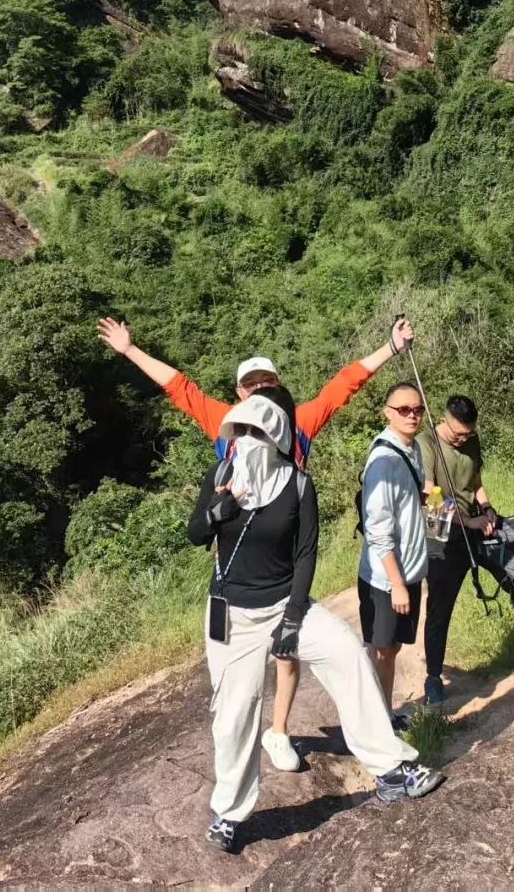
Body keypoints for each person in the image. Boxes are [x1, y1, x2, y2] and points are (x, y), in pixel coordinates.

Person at [97, 315, 413, 772]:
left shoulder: (297, 424)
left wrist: (391, 346)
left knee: (288, 647)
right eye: (251, 384)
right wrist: (129, 350)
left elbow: (344, 385)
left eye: (267, 382)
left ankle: (279, 731)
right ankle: (251, 747)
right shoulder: (225, 423)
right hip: (236, 562)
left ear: (278, 387)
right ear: (239, 392)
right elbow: (180, 388)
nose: (260, 389)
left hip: (284, 552)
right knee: (239, 674)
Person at [188, 383, 443, 855]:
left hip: (286, 604)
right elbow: (195, 534)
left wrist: (292, 617)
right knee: (234, 712)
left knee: (347, 653)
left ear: (277, 437)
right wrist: (216, 512)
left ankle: (391, 767)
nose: (246, 440)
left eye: (256, 431)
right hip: (232, 613)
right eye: (240, 430)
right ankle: (229, 812)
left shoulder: (298, 485)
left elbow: (305, 554)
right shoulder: (221, 474)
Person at [418, 394, 514, 707]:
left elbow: (476, 482)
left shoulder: (471, 441)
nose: (463, 439)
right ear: (444, 420)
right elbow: (429, 496)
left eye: (468, 434)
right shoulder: (426, 443)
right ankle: (433, 678)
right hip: (441, 531)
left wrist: (487, 509)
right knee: (439, 607)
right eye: (458, 434)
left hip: (478, 524)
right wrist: (467, 522)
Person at [358, 381, 428, 724]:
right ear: (388, 412)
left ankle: (383, 714)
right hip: (386, 579)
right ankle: (377, 722)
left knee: (394, 647)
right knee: (382, 650)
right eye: (404, 410)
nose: (412, 415)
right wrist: (397, 584)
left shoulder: (412, 448)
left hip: (409, 571)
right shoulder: (383, 463)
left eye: (417, 409)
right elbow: (377, 530)